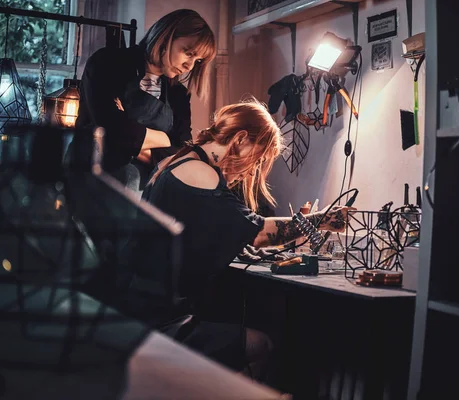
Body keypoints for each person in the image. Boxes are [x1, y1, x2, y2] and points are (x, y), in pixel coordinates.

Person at [121, 99, 355, 381]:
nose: (249, 170)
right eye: (255, 158)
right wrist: (322, 219)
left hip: (139, 307)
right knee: (263, 345)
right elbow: (257, 234)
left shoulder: (178, 161)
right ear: (241, 138)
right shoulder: (200, 172)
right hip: (158, 320)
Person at [67, 9, 216, 191]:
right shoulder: (106, 63)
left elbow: (181, 153)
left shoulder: (179, 96)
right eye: (188, 52)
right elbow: (110, 130)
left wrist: (129, 135)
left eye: (198, 61)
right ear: (166, 36)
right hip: (90, 180)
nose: (190, 66)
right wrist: (164, 138)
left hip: (144, 192)